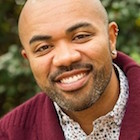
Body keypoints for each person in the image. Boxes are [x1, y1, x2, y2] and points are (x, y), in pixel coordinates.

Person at [0, 0, 140, 139]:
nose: (65, 58)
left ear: (111, 39)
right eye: (43, 47)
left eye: (80, 36)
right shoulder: (9, 134)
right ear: (29, 59)